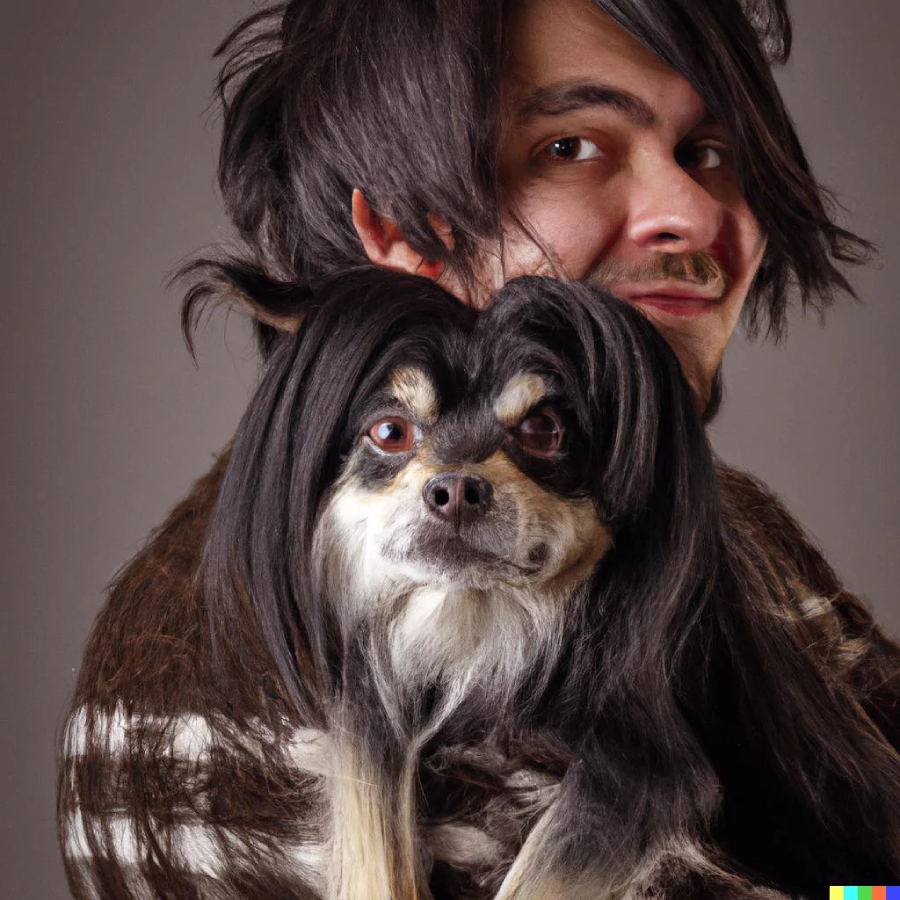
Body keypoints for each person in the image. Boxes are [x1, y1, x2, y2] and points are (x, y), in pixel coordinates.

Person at [59, 0, 900, 897]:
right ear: (397, 223)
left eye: (706, 155)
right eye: (570, 147)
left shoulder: (713, 521)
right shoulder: (251, 705)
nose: (693, 213)